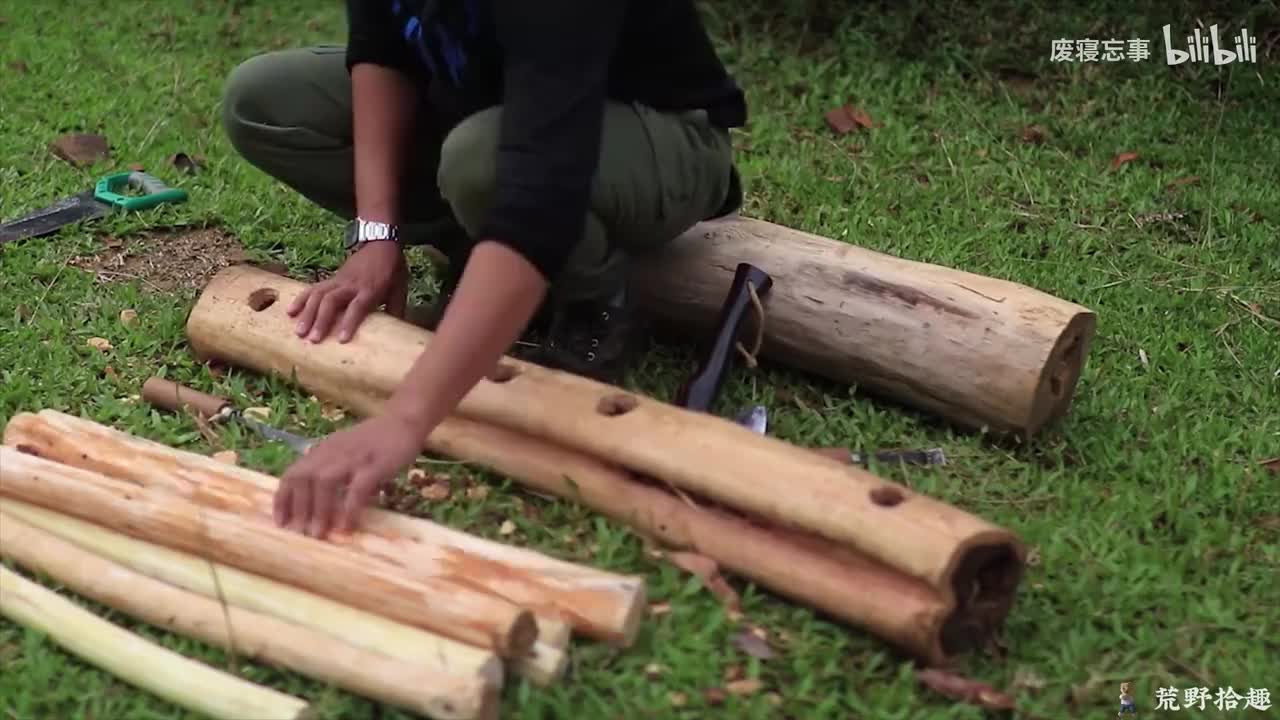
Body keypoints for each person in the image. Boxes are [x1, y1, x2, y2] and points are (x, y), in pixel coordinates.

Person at [220, 0, 747, 539]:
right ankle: (484, 255)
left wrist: (404, 421)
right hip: (487, 99)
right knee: (263, 99)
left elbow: (537, 202)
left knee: (481, 164)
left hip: (657, 127)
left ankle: (593, 294)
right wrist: (378, 234)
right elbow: (383, 45)